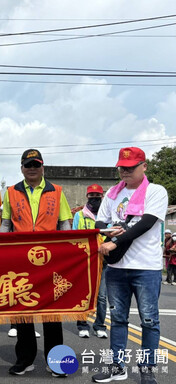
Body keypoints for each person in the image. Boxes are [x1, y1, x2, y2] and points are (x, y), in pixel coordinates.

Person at [92, 147, 168, 384]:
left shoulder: (156, 192)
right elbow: (100, 221)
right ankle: (117, 366)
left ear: (143, 166)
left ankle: (147, 369)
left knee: (149, 320)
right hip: (117, 268)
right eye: (121, 168)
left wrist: (114, 241)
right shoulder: (112, 194)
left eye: (130, 167)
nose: (124, 172)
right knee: (118, 320)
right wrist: (107, 229)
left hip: (146, 267)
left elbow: (145, 224)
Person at [0, 149, 72, 378]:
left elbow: (66, 225)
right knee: (23, 312)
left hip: (50, 261)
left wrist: (67, 254)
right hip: (20, 261)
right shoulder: (11, 192)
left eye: (36, 165)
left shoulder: (57, 191)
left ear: (43, 167)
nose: (32, 169)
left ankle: (56, 362)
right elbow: (4, 226)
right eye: (28, 165)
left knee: (52, 314)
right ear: (22, 168)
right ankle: (24, 360)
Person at [73, 184, 108, 339]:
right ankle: (82, 325)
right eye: (92, 195)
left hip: (104, 261)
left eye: (97, 195)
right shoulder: (79, 216)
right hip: (85, 262)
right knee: (83, 294)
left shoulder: (107, 216)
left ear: (102, 196)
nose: (95, 198)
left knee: (101, 296)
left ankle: (99, 325)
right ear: (87, 196)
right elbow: (74, 238)